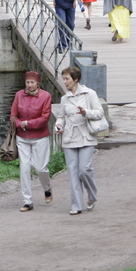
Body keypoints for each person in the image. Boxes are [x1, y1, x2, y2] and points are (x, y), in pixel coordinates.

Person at [54, 66, 103, 215]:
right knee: (73, 172)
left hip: (86, 135)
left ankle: (92, 195)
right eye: (64, 79)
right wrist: (58, 125)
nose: (65, 82)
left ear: (75, 79)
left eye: (67, 78)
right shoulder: (64, 98)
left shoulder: (90, 94)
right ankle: (76, 205)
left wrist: (85, 112)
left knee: (85, 169)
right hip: (69, 137)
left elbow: (99, 112)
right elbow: (61, 116)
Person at [10, 70, 53, 212]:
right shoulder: (19, 95)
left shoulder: (45, 96)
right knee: (24, 168)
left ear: (38, 83)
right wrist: (19, 124)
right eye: (27, 82)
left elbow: (44, 118)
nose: (30, 85)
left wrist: (27, 123)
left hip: (40, 137)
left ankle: (47, 188)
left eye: (32, 82)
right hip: (22, 138)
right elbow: (13, 116)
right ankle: (27, 201)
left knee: (40, 168)